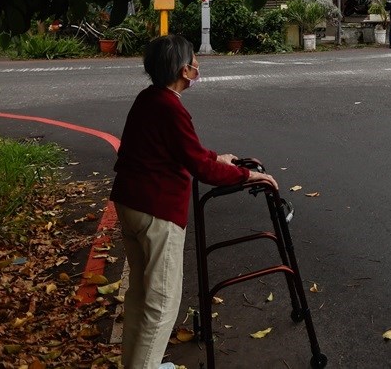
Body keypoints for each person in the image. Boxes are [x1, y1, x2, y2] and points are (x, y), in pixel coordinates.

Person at [110, 35, 277, 369]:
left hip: (130, 203)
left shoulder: (149, 99)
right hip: (157, 211)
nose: (198, 65)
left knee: (140, 297)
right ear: (185, 70)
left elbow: (187, 152)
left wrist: (220, 158)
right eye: (194, 61)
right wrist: (247, 176)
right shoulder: (171, 108)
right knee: (161, 304)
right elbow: (199, 167)